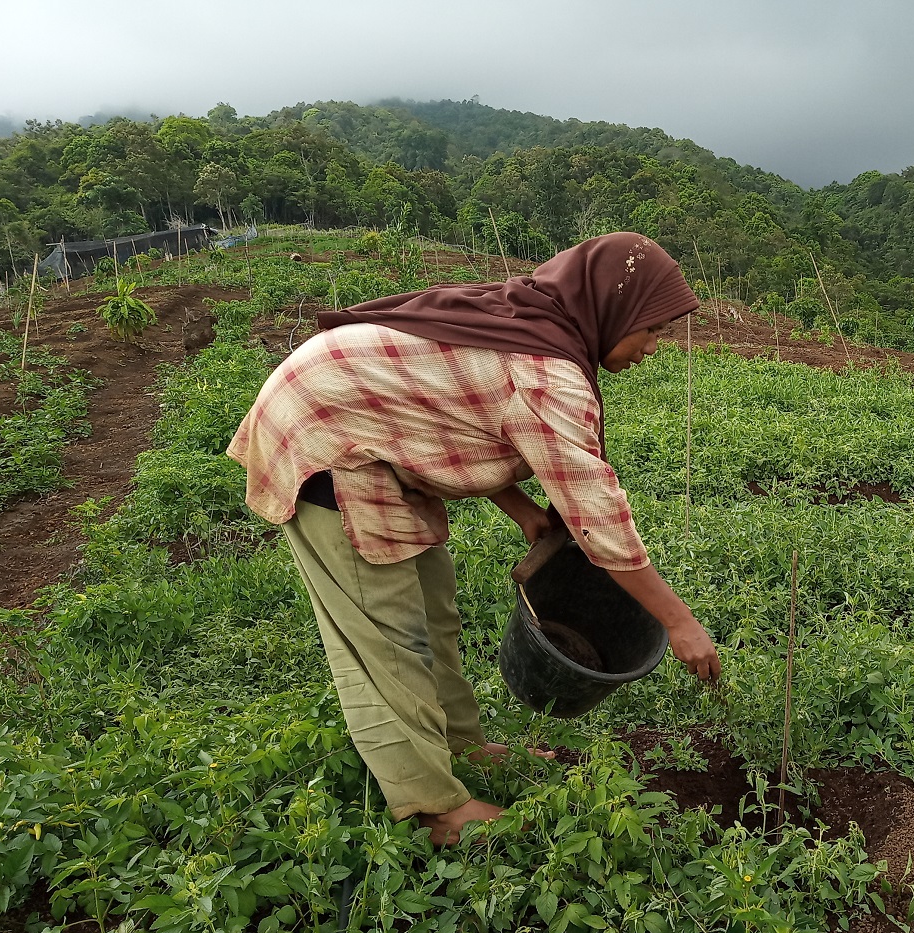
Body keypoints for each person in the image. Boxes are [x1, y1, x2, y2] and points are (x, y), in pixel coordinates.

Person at [228, 233, 721, 844]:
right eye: (651, 330)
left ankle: (460, 745)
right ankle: (433, 810)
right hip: (326, 435)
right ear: (612, 310)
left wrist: (520, 509)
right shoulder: (547, 373)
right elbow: (597, 516)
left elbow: (450, 411)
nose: (652, 348)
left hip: (372, 428)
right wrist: (678, 622)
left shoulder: (536, 321)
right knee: (386, 638)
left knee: (434, 613)